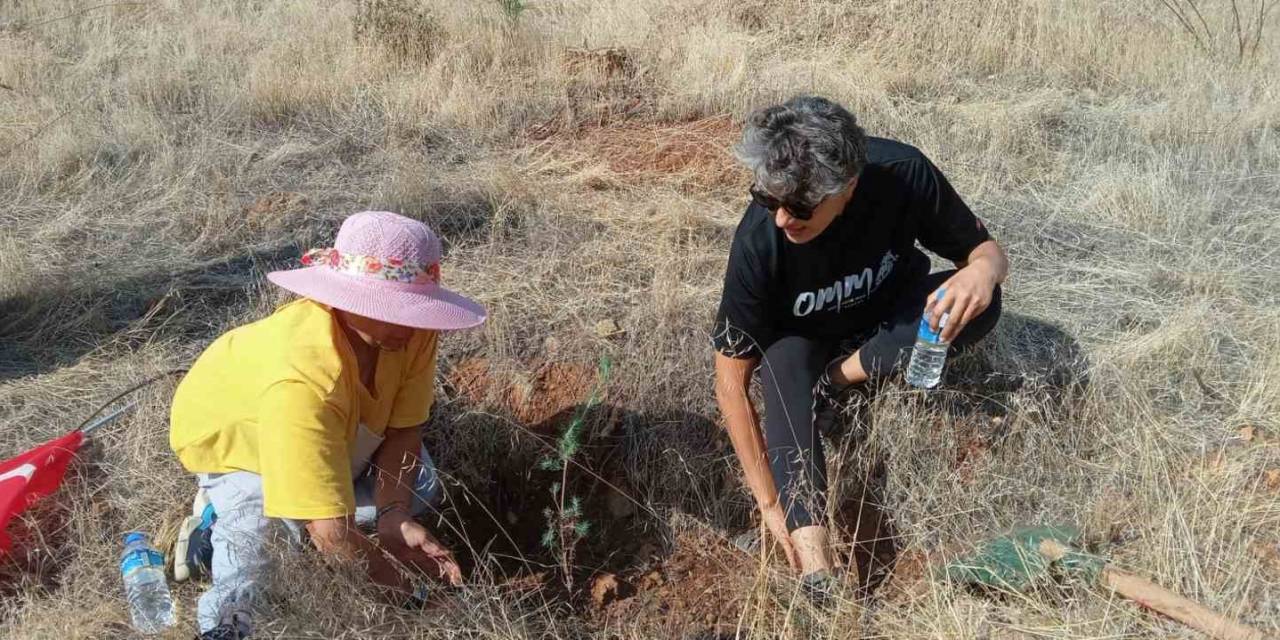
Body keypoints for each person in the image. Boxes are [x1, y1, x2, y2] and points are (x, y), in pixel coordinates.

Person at [710, 96, 1008, 591]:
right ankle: (817, 568)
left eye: (801, 206)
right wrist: (768, 503)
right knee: (783, 372)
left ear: (847, 186)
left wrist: (982, 272)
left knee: (983, 303)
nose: (784, 218)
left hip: (887, 316)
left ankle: (841, 379)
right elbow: (730, 381)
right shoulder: (759, 242)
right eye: (769, 199)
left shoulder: (902, 172)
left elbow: (986, 253)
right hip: (801, 339)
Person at [167, 211, 487, 639]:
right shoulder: (302, 379)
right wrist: (409, 590)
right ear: (345, 300)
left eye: (416, 309)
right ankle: (219, 551)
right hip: (247, 445)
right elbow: (334, 537)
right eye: (394, 310)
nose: (411, 326)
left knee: (422, 484)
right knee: (260, 529)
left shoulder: (409, 331)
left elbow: (404, 430)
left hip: (341, 426)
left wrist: (394, 518)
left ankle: (306, 509)